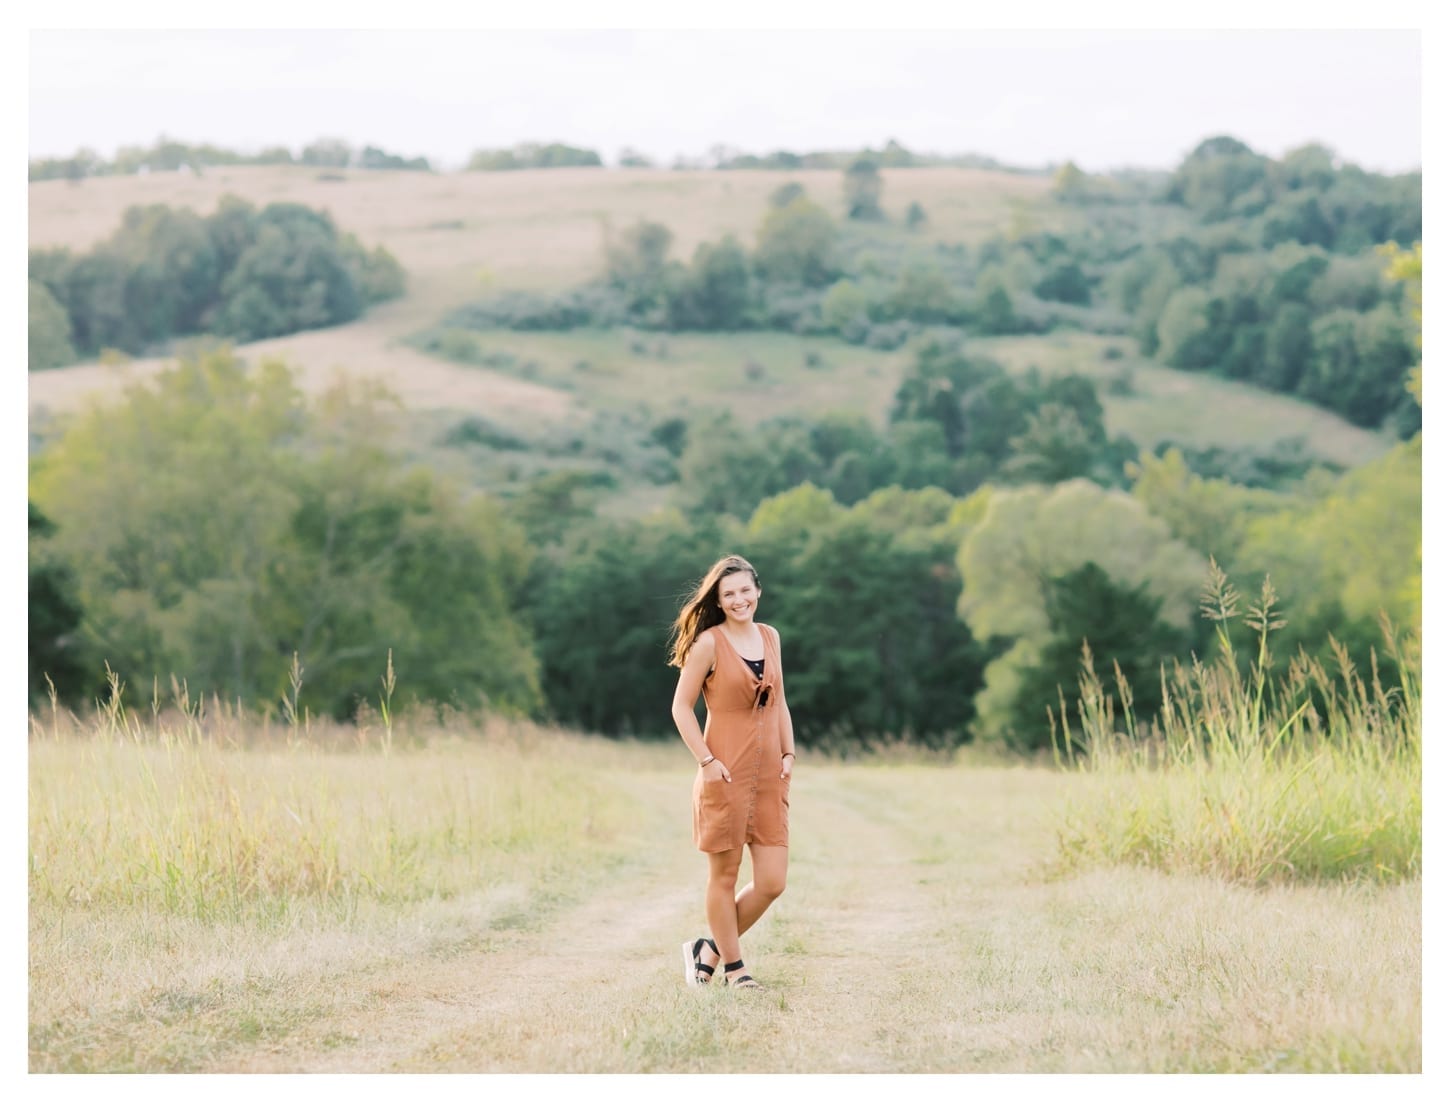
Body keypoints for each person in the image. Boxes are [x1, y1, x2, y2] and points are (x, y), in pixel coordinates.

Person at [668, 554, 795, 991]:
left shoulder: (770, 637)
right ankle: (735, 970)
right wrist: (706, 761)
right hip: (723, 773)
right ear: (719, 602)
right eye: (729, 594)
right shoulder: (708, 644)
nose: (739, 599)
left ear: (758, 591)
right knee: (724, 877)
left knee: (772, 881)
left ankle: (707, 951)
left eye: (745, 590)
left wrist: (790, 753)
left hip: (769, 777)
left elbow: (779, 702)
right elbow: (680, 707)